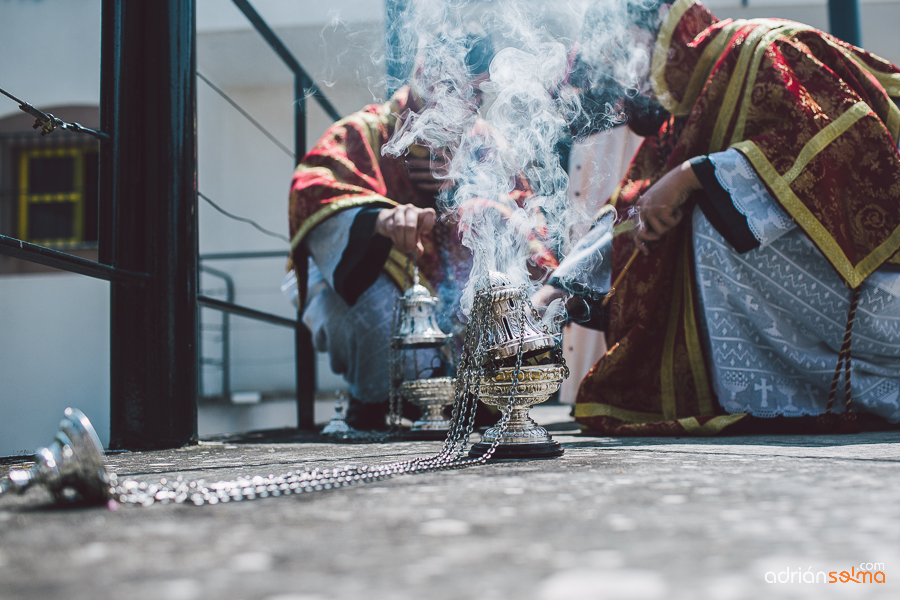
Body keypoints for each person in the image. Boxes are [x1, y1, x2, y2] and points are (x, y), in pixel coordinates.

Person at [540, 0, 900, 434]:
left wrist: (692, 175)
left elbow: (853, 151)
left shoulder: (765, 46)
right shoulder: (685, 109)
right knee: (683, 214)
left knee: (710, 213)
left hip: (880, 288)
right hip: (824, 316)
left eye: (619, 54)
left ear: (652, 28)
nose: (620, 78)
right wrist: (556, 290)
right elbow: (633, 212)